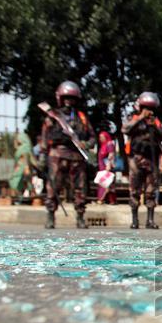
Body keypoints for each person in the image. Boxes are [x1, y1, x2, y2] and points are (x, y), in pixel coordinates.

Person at [41, 81, 95, 229]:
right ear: (60, 99)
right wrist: (43, 156)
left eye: (71, 99)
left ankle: (80, 217)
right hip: (58, 155)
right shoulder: (53, 116)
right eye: (66, 99)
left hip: (77, 157)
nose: (68, 102)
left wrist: (86, 144)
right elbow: (45, 136)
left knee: (80, 188)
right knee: (53, 187)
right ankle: (51, 216)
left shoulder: (82, 118)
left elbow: (92, 138)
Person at [122, 91, 162, 230]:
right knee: (135, 190)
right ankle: (135, 220)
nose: (148, 111)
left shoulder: (156, 122)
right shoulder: (134, 118)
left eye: (151, 109)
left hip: (152, 159)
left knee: (151, 191)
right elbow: (125, 129)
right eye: (146, 108)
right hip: (136, 159)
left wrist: (154, 125)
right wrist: (140, 118)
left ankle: (150, 220)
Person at [7, 133, 35, 201]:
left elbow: (26, 158)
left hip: (22, 168)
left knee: (14, 182)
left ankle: (16, 198)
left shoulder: (24, 148)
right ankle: (31, 196)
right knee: (27, 183)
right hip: (22, 167)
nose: (17, 140)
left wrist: (26, 167)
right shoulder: (25, 147)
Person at [96, 130, 117, 204]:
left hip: (107, 167)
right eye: (100, 137)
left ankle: (102, 199)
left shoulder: (109, 144)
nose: (100, 139)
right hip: (102, 167)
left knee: (106, 183)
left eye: (102, 137)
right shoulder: (103, 145)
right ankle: (107, 199)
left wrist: (109, 165)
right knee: (105, 183)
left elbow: (111, 155)